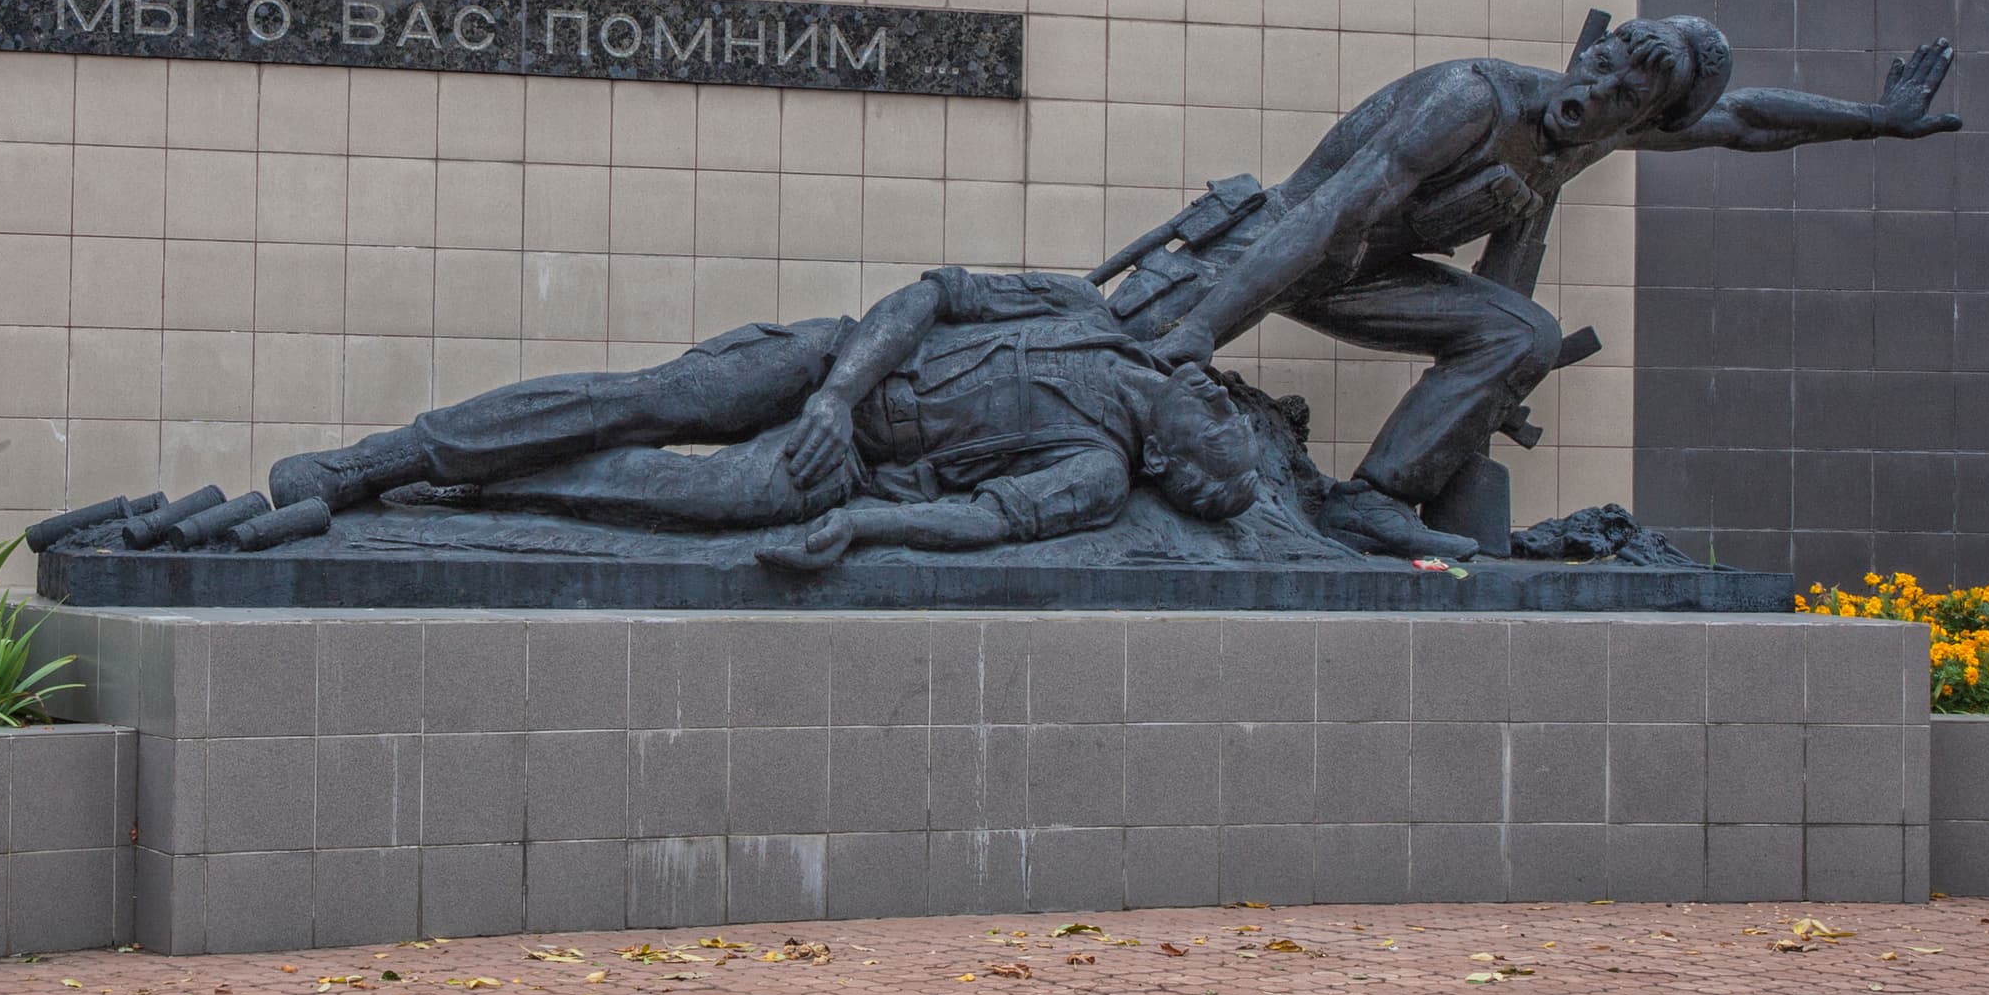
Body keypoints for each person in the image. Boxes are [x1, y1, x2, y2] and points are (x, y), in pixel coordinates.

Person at [1115, 17, 1961, 559]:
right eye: (1598, 65)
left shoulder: (1601, 136)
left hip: (1369, 277)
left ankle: (1371, 501)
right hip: (1279, 250)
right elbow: (1327, 213)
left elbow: (1745, 121)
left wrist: (1875, 120)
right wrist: (1202, 328)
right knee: (1101, 346)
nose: (1591, 94)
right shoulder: (1469, 100)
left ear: (1640, 117)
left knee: (1520, 332)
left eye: (1622, 95)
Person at [268, 265, 1262, 570]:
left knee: (674, 489)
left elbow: (983, 522)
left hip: (847, 472)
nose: (1212, 403)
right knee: (642, 400)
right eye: (1217, 412)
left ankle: (455, 489)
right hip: (834, 360)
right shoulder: (1080, 314)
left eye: (1205, 443)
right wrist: (833, 392)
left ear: (1175, 465)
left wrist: (863, 519)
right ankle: (365, 463)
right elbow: (930, 297)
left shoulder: (1094, 473)